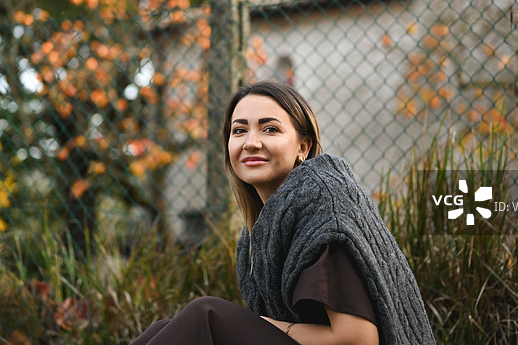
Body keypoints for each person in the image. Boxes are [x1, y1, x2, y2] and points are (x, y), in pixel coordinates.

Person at [131, 80, 436, 344]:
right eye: (239, 131)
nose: (251, 142)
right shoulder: (266, 226)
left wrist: (265, 326)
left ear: (303, 147)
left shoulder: (325, 207)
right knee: (164, 329)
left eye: (270, 129)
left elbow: (358, 338)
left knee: (206, 315)